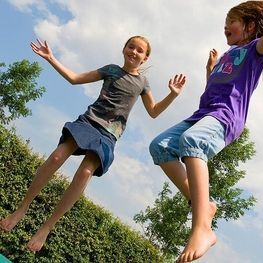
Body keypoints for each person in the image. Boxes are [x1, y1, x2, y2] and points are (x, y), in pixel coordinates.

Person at [0, 36, 186, 252]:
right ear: (124, 49)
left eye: (140, 50)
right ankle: (22, 209)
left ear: (145, 58)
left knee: (84, 173)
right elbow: (74, 78)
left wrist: (172, 95)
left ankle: (46, 228)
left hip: (108, 135)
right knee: (57, 157)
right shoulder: (111, 70)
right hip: (88, 121)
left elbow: (153, 112)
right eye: (131, 47)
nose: (134, 52)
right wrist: (51, 58)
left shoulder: (142, 83)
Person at [149, 1, 263, 262]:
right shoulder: (227, 55)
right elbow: (214, 86)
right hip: (204, 113)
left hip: (226, 117)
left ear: (249, 26)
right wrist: (209, 69)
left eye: (231, 23)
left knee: (193, 141)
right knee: (160, 146)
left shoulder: (253, 51)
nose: (225, 28)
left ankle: (202, 227)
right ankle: (206, 205)